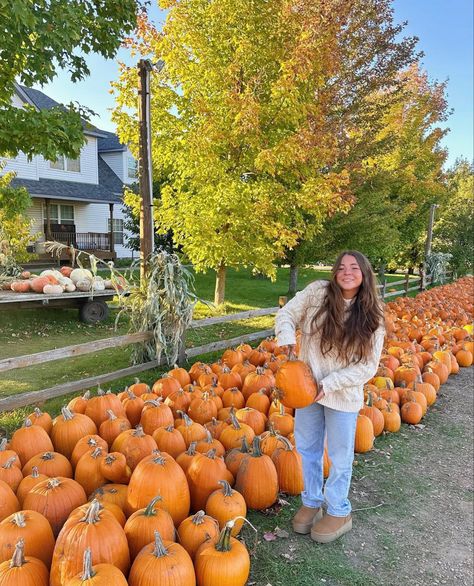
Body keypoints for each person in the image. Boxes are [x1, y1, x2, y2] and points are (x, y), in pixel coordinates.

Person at [275, 251, 385, 543]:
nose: (347, 272)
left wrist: (331, 383)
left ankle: (338, 508)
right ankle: (311, 501)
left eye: (355, 268)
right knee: (307, 448)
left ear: (364, 274)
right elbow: (287, 313)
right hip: (306, 389)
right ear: (335, 272)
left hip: (342, 394)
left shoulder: (373, 315)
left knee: (339, 455)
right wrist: (286, 337)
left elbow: (368, 366)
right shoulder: (317, 294)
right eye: (342, 267)